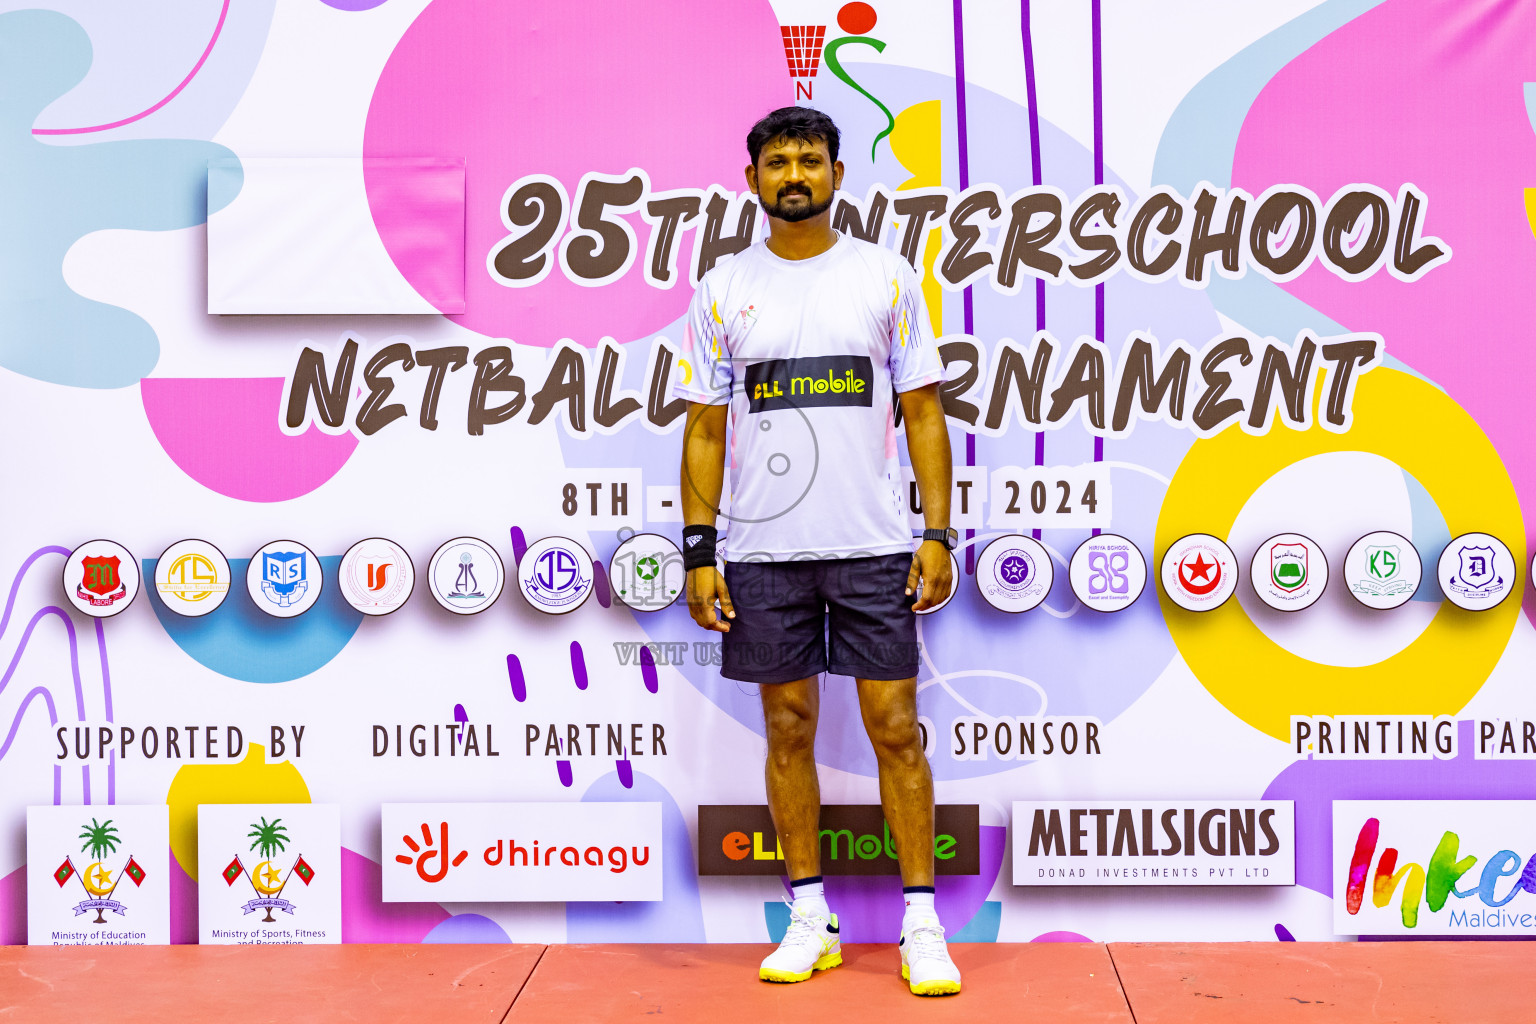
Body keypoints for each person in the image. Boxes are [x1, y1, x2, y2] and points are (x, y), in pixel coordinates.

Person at [675, 106, 961, 996]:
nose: (793, 172)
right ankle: (810, 917)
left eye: (810, 158)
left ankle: (922, 925)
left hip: (874, 548)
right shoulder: (722, 287)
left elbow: (922, 413)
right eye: (776, 160)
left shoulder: (885, 276)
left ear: (838, 175)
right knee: (787, 730)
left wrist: (938, 530)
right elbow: (706, 429)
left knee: (895, 734)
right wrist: (699, 548)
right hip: (762, 553)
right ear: (752, 179)